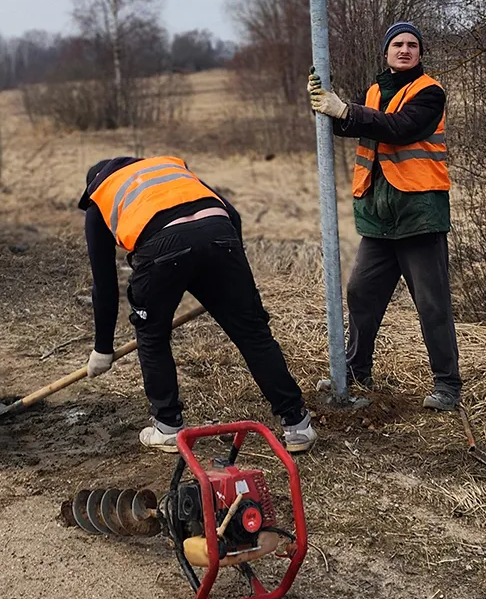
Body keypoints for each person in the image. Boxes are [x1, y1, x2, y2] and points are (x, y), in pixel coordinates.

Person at [78, 155, 317, 453]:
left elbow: (104, 283)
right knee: (253, 333)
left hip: (161, 249)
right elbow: (233, 215)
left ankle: (167, 428)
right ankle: (297, 425)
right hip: (220, 236)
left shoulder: (100, 196)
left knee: (152, 336)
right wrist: (234, 277)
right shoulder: (167, 169)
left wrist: (102, 349)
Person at [308, 21, 462, 411]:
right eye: (398, 44)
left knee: (432, 304)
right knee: (361, 291)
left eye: (412, 45)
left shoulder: (429, 92)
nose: (405, 50)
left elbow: (400, 128)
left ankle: (447, 386)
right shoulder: (375, 91)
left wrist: (347, 109)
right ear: (386, 52)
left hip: (418, 214)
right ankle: (356, 371)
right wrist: (327, 106)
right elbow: (358, 126)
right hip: (378, 216)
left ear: (420, 53)